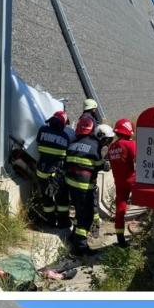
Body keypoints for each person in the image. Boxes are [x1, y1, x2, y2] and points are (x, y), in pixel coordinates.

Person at [64, 115, 107, 256]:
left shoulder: (72, 143)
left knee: (78, 211)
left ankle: (73, 236)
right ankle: (80, 246)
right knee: (86, 216)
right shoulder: (95, 145)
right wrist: (105, 164)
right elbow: (99, 165)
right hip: (84, 186)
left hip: (70, 184)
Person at [34, 110, 74, 228]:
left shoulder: (42, 130)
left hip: (42, 171)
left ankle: (50, 221)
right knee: (61, 197)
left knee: (46, 197)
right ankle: (63, 222)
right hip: (57, 173)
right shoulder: (65, 137)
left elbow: (38, 144)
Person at [107, 119, 138, 247]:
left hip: (119, 183)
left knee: (120, 209)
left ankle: (120, 240)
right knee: (149, 202)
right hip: (132, 180)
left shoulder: (111, 147)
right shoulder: (130, 144)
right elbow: (140, 159)